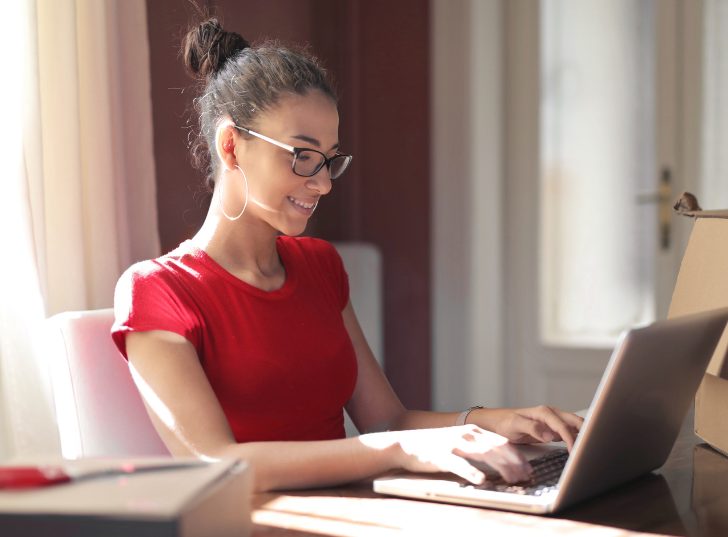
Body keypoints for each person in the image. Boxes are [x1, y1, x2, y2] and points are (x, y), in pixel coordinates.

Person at [112, 17, 584, 493]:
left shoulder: (320, 266)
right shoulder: (155, 291)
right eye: (302, 155)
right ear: (231, 146)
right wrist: (396, 450)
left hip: (356, 513)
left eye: (329, 159)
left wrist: (498, 422)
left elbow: (387, 421)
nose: (322, 183)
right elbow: (216, 462)